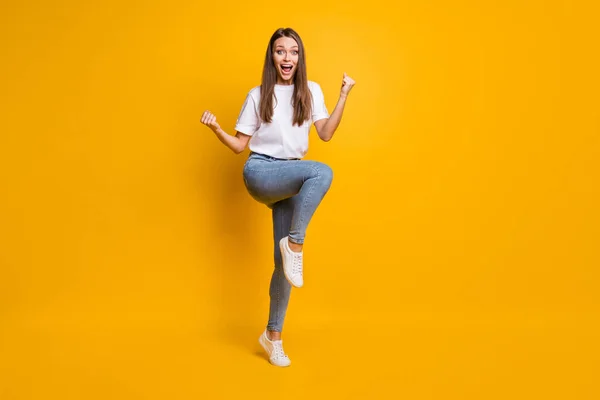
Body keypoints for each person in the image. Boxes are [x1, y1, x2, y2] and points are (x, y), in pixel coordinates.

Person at [200, 27, 355, 367]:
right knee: (322, 172)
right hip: (260, 172)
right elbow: (241, 145)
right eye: (281, 51)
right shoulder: (259, 94)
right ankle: (296, 244)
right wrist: (217, 129)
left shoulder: (311, 91)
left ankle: (272, 337)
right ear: (272, 57)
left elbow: (325, 134)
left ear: (300, 58)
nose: (287, 58)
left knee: (283, 268)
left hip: (291, 176)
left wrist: (343, 95)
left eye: (294, 52)